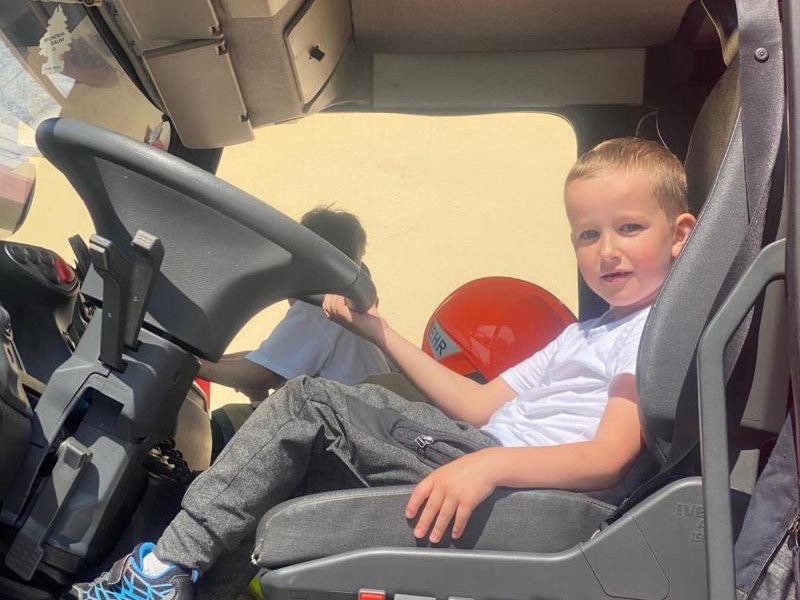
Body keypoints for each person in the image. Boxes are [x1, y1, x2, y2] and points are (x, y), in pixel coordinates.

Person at [71, 137, 696, 600]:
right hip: (487, 445)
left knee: (307, 401)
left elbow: (608, 457)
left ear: (680, 235)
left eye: (629, 228)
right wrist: (381, 332)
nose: (607, 251)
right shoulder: (587, 333)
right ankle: (181, 584)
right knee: (287, 467)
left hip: (516, 481)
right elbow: (481, 404)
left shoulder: (653, 332)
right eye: (587, 235)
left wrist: (487, 466)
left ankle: (161, 569)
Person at [198, 207, 391, 403]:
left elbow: (262, 374)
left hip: (346, 420)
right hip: (361, 416)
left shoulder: (321, 310)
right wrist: (208, 360)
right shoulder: (344, 309)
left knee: (223, 421)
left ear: (306, 261)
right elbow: (264, 360)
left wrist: (194, 365)